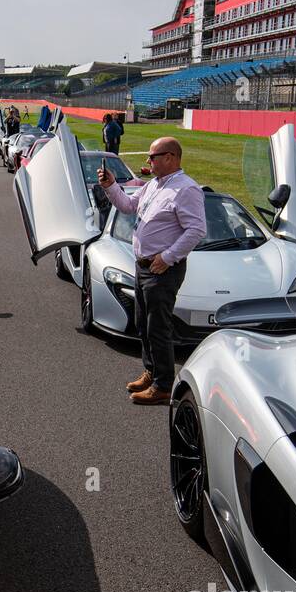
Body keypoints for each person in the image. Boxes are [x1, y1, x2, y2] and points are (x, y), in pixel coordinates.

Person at [97, 137, 205, 405]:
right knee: (144, 324)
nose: (148, 161)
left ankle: (164, 384)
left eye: (153, 156)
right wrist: (111, 185)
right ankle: (151, 371)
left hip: (162, 269)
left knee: (158, 327)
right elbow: (128, 206)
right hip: (144, 266)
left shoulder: (186, 189)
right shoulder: (154, 185)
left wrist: (168, 257)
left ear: (170, 158)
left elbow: (196, 230)